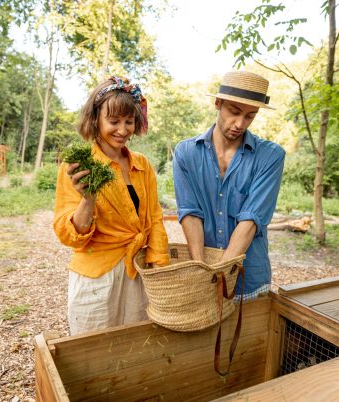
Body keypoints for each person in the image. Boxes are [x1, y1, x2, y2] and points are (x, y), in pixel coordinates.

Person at [53, 76, 170, 335]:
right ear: (95, 119)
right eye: (113, 121)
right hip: (97, 276)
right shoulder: (78, 167)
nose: (122, 130)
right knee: (92, 348)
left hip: (136, 271)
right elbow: (71, 237)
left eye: (129, 121)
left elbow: (154, 219)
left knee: (133, 345)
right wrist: (88, 198)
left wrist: (159, 265)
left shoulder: (142, 164)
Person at [172, 70, 285, 300]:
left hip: (249, 279)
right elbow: (190, 213)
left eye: (250, 116)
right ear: (218, 103)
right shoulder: (186, 153)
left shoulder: (270, 156)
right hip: (205, 277)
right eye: (234, 112)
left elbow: (251, 221)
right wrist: (202, 270)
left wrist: (221, 274)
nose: (240, 123)